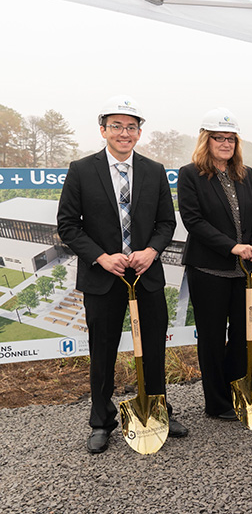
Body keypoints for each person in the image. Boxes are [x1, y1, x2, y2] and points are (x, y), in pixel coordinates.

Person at [56, 95, 187, 453]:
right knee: (103, 350)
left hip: (146, 275)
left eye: (131, 127)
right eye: (116, 126)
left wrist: (151, 251)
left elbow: (166, 222)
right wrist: (100, 257)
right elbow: (68, 226)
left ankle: (159, 410)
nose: (124, 133)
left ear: (139, 133)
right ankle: (101, 422)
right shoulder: (81, 170)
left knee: (153, 347)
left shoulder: (154, 171)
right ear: (103, 130)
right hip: (103, 277)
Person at [177, 108, 252, 420]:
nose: (226, 143)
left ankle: (237, 390)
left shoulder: (246, 173)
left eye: (231, 138)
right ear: (207, 140)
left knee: (245, 335)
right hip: (209, 270)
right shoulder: (190, 175)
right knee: (212, 338)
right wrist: (233, 247)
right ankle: (216, 403)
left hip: (245, 272)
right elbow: (194, 221)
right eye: (219, 138)